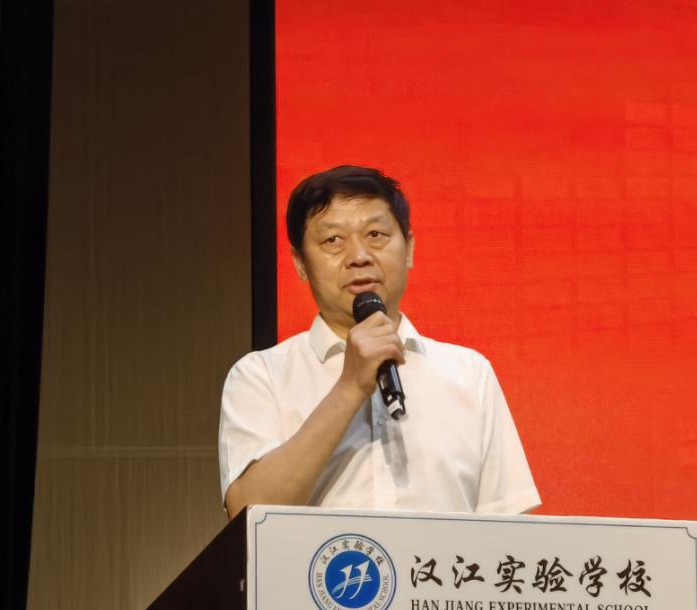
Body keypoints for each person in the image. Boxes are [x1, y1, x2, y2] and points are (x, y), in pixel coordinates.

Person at [219, 165, 539, 519]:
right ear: (300, 264)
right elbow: (248, 515)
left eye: (375, 234)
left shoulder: (469, 374)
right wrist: (350, 388)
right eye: (333, 240)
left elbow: (508, 530)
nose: (359, 256)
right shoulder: (261, 376)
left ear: (409, 249)